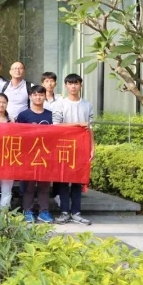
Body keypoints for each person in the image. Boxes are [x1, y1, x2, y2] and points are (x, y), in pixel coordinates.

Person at [52, 74, 94, 226]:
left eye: (76, 83)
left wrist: (92, 148)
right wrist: (77, 125)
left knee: (78, 180)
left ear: (81, 85)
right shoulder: (60, 104)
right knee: (64, 180)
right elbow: (56, 125)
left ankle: (76, 212)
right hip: (64, 146)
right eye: (70, 84)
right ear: (66, 86)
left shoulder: (87, 105)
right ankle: (64, 212)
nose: (73, 86)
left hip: (81, 147)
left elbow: (90, 128)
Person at [15, 85, 54, 224]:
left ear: (45, 96)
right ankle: (28, 211)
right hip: (28, 155)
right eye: (35, 94)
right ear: (30, 97)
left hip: (45, 155)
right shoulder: (23, 115)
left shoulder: (51, 115)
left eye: (41, 95)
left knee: (44, 186)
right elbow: (17, 135)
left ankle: (44, 211)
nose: (38, 97)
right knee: (29, 185)